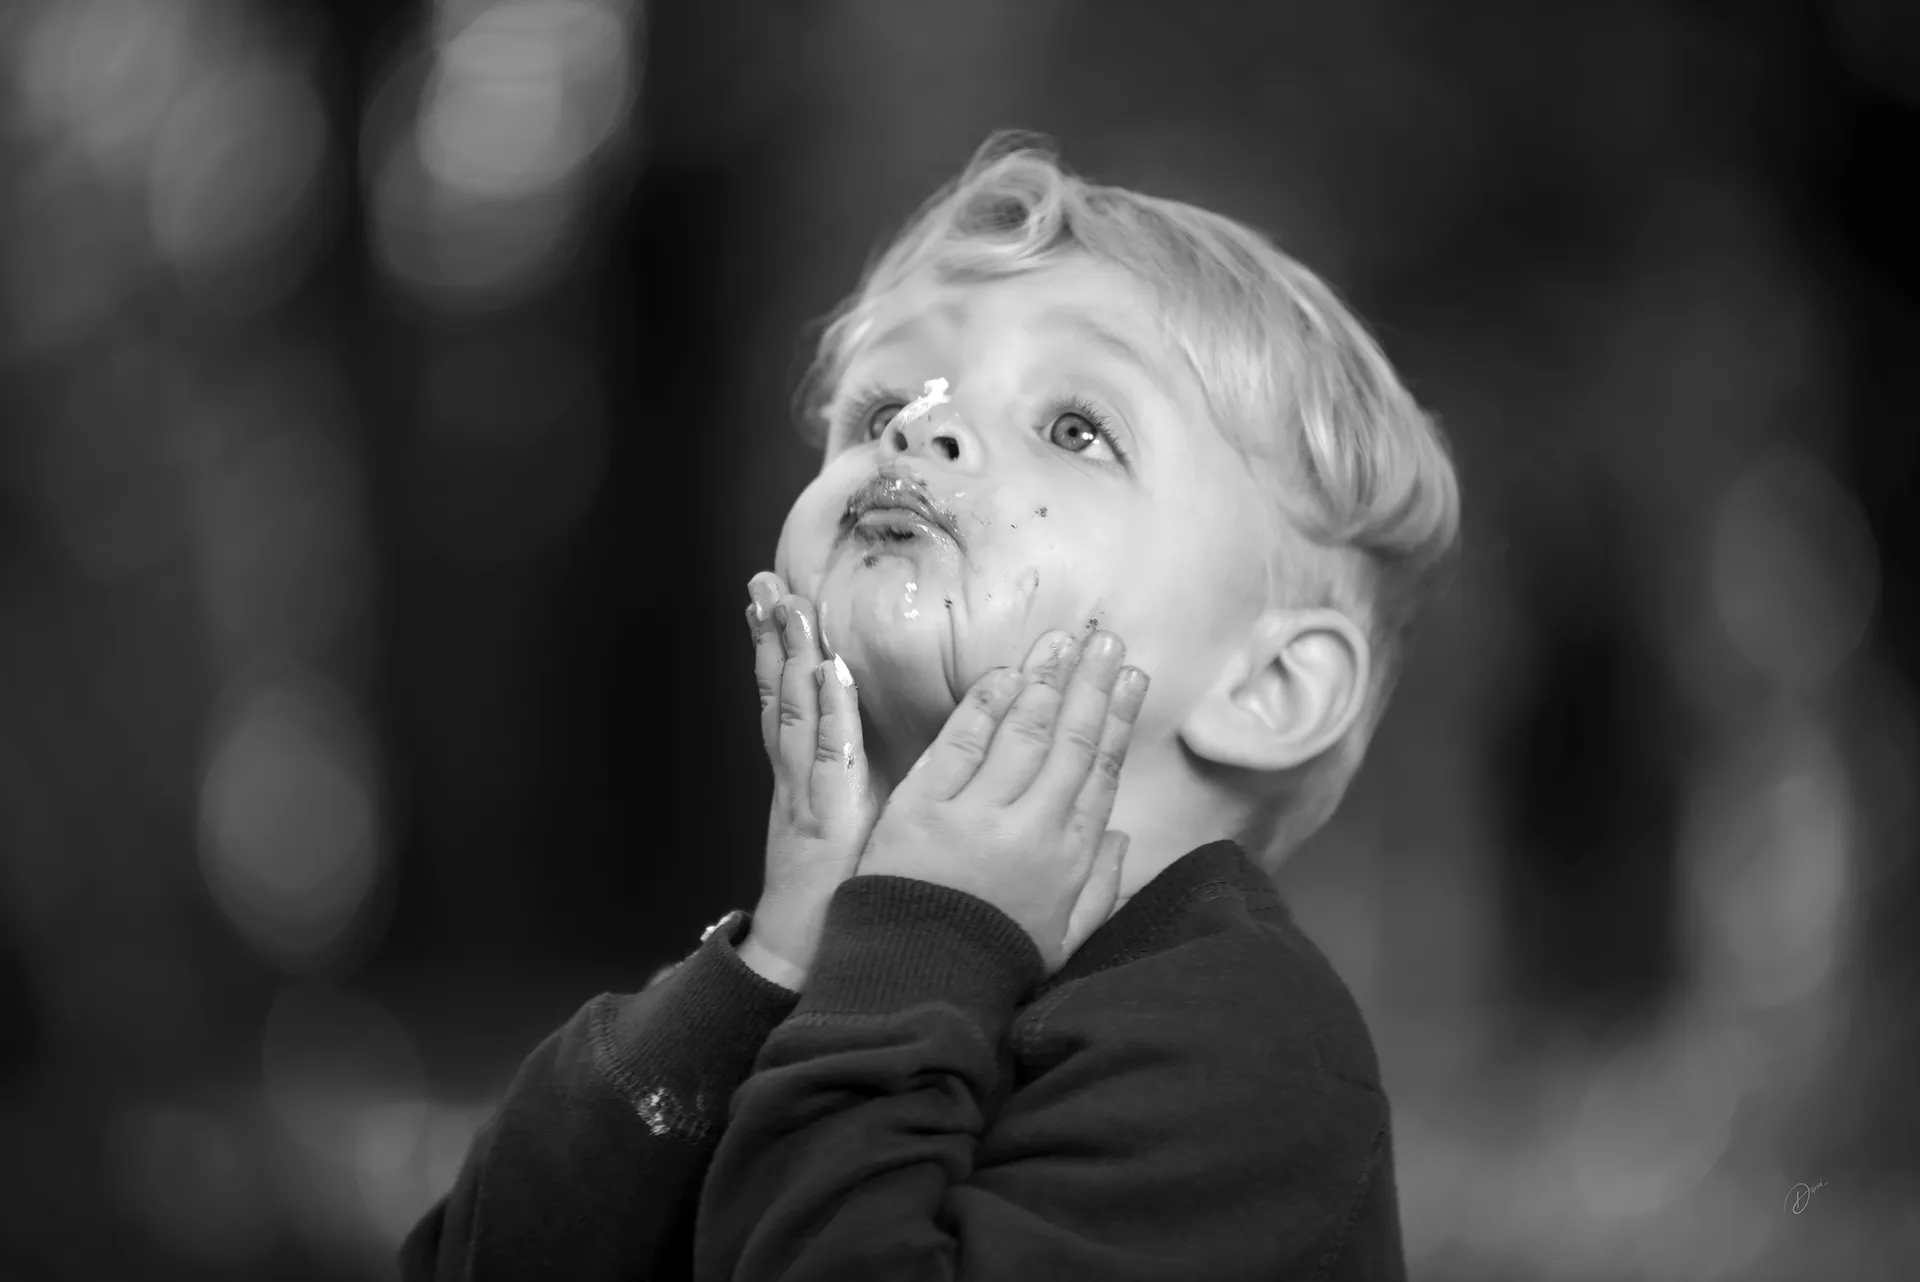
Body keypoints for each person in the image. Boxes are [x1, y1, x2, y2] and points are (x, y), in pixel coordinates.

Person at [401, 130, 1459, 1281]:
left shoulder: (1252, 1053)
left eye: (1076, 429)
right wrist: (772, 964)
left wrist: (920, 942)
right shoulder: (815, 980)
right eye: (880, 410)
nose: (917, 429)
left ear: (1269, 688)